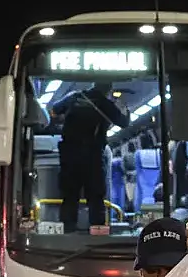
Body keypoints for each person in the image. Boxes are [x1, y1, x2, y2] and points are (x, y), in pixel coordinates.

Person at [49, 81, 130, 233]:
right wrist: (123, 106)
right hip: (93, 156)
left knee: (69, 196)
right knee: (95, 198)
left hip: (69, 156)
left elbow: (53, 111)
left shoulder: (74, 97)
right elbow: (124, 123)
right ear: (108, 89)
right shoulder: (106, 104)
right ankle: (97, 234)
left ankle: (67, 232)